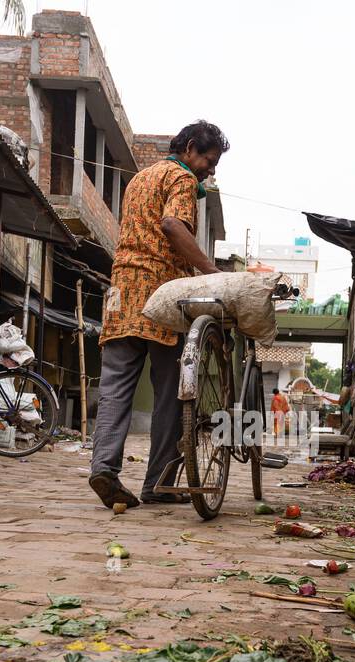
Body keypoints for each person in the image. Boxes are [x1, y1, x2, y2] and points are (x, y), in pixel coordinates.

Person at [89, 121, 228, 508]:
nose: (209, 170)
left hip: (122, 289)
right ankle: (159, 482)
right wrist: (209, 271)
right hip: (160, 292)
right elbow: (171, 225)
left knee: (115, 386)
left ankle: (104, 467)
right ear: (187, 149)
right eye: (207, 160)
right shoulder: (181, 178)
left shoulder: (139, 179)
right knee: (171, 391)